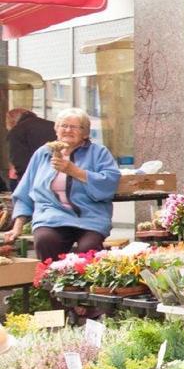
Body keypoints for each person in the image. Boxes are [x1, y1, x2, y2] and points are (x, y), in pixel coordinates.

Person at [2, 107, 121, 261]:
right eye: (63, 126)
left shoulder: (99, 152)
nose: (67, 130)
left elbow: (110, 182)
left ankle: (81, 285)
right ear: (56, 130)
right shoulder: (43, 153)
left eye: (74, 127)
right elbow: (24, 191)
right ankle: (52, 283)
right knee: (45, 240)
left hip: (90, 216)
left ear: (85, 133)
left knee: (87, 250)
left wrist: (74, 171)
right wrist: (17, 227)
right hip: (51, 216)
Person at [6, 108, 56, 190]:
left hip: (35, 181)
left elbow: (19, 162)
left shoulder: (17, 131)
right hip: (57, 175)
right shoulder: (53, 125)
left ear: (11, 121)